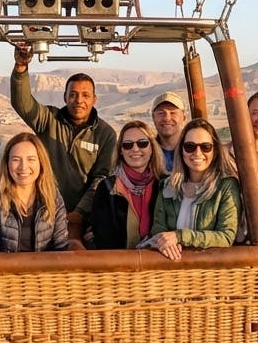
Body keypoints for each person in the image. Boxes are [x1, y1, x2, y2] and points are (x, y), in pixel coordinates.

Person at [9, 44, 117, 237]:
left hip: (83, 218)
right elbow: (22, 104)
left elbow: (100, 179)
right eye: (73, 94)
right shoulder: (48, 119)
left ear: (94, 99)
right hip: (43, 211)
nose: (79, 100)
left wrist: (79, 213)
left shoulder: (105, 133)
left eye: (85, 95)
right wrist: (21, 68)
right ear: (65, 96)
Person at [146, 119, 241, 259]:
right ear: (181, 150)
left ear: (215, 151)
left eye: (205, 147)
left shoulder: (226, 186)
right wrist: (165, 244)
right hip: (172, 265)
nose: (197, 153)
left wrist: (180, 237)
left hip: (209, 271)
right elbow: (158, 229)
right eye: (190, 147)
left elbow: (226, 237)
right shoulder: (168, 186)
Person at [0, 132, 71, 252]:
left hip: (43, 270)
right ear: (7, 164)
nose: (23, 167)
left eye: (31, 159)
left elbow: (61, 246)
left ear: (41, 162)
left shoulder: (52, 196)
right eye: (16, 160)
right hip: (3, 270)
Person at [86, 120, 165, 249]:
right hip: (120, 264)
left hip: (159, 263)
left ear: (152, 147)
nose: (135, 149)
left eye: (142, 143)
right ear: (121, 150)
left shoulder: (165, 185)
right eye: (128, 145)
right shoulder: (107, 188)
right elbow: (103, 238)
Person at [150, 91, 187, 172]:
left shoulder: (194, 150)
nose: (167, 118)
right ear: (153, 118)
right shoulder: (146, 151)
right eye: (161, 113)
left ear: (184, 118)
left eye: (173, 113)